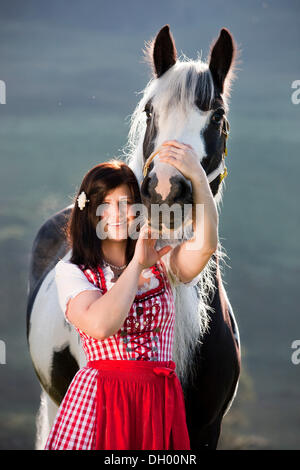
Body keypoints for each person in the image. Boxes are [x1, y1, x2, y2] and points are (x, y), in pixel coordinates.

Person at [44, 140, 218, 450]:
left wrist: (198, 179)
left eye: (125, 203)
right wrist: (137, 265)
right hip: (102, 405)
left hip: (159, 403)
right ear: (89, 211)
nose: (116, 214)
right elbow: (101, 325)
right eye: (106, 204)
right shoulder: (73, 271)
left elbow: (204, 247)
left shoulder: (161, 257)